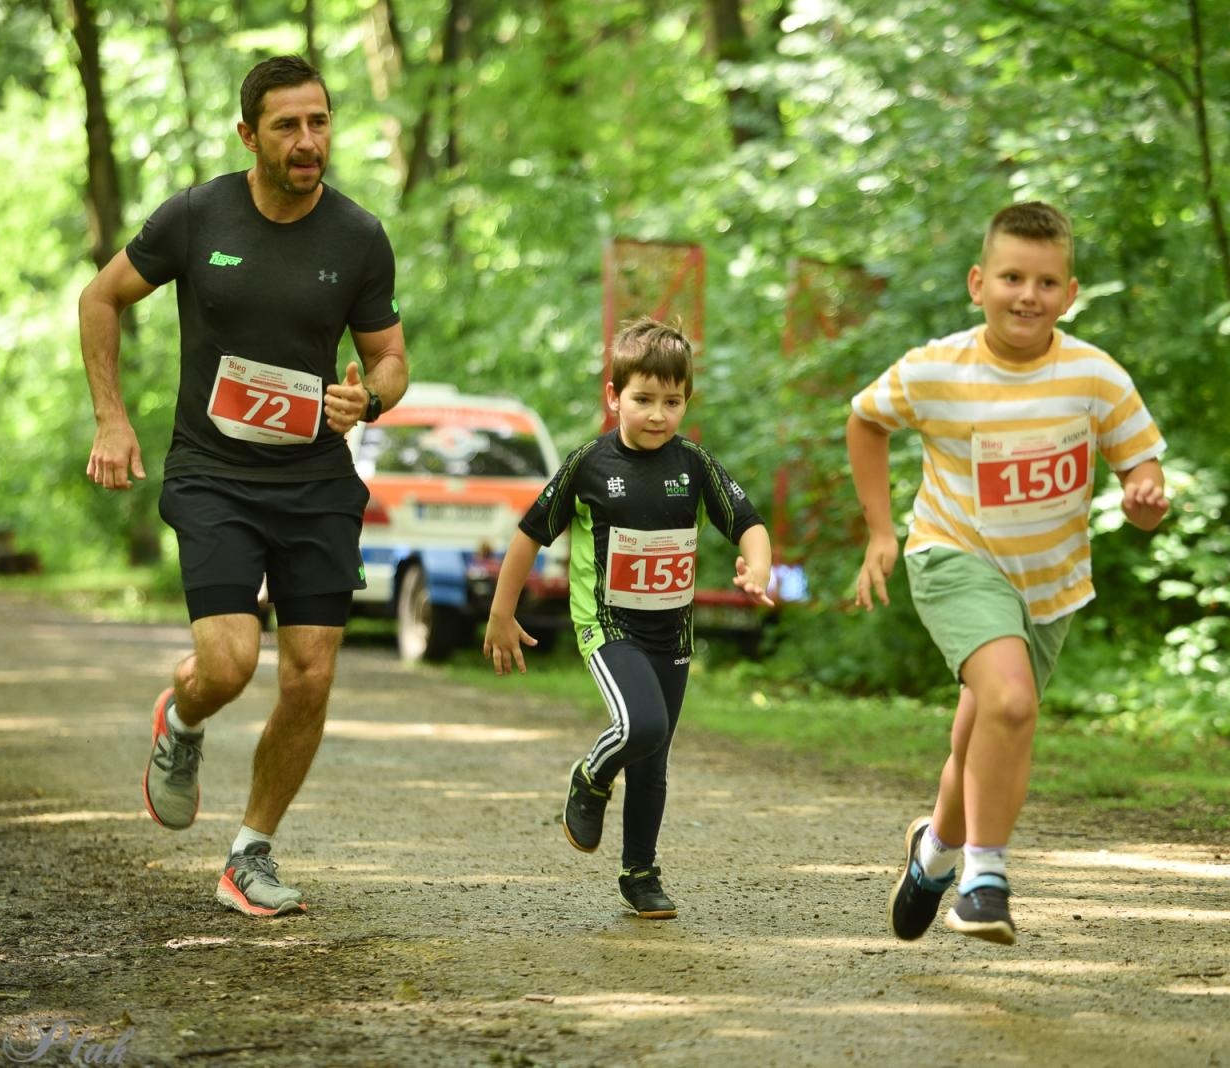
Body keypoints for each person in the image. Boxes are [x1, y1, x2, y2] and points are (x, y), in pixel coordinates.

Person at [78, 54, 409, 918]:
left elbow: (390, 358)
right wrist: (113, 419)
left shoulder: (359, 237)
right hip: (214, 474)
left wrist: (367, 397)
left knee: (309, 673)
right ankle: (181, 720)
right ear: (248, 134)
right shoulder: (196, 216)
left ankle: (249, 853)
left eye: (320, 122)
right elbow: (100, 298)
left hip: (314, 482)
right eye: (289, 126)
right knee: (227, 664)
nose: (309, 142)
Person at [848, 201, 1169, 946]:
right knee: (1013, 703)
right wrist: (880, 530)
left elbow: (1141, 469)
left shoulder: (1094, 375)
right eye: (1012, 277)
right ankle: (983, 879)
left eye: (1046, 282)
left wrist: (1146, 498)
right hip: (953, 556)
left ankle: (931, 854)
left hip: (1048, 587)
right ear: (977, 283)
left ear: (1071, 292)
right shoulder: (939, 369)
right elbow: (865, 419)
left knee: (985, 730)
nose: (1028, 295)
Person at [482, 317, 775, 920]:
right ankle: (589, 778)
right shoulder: (588, 464)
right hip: (608, 627)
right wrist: (501, 613)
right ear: (615, 397)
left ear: (686, 401)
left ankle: (640, 872)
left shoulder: (693, 464)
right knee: (641, 727)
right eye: (643, 399)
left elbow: (747, 522)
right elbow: (529, 534)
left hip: (672, 632)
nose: (658, 414)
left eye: (673, 402)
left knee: (654, 757)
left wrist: (758, 567)